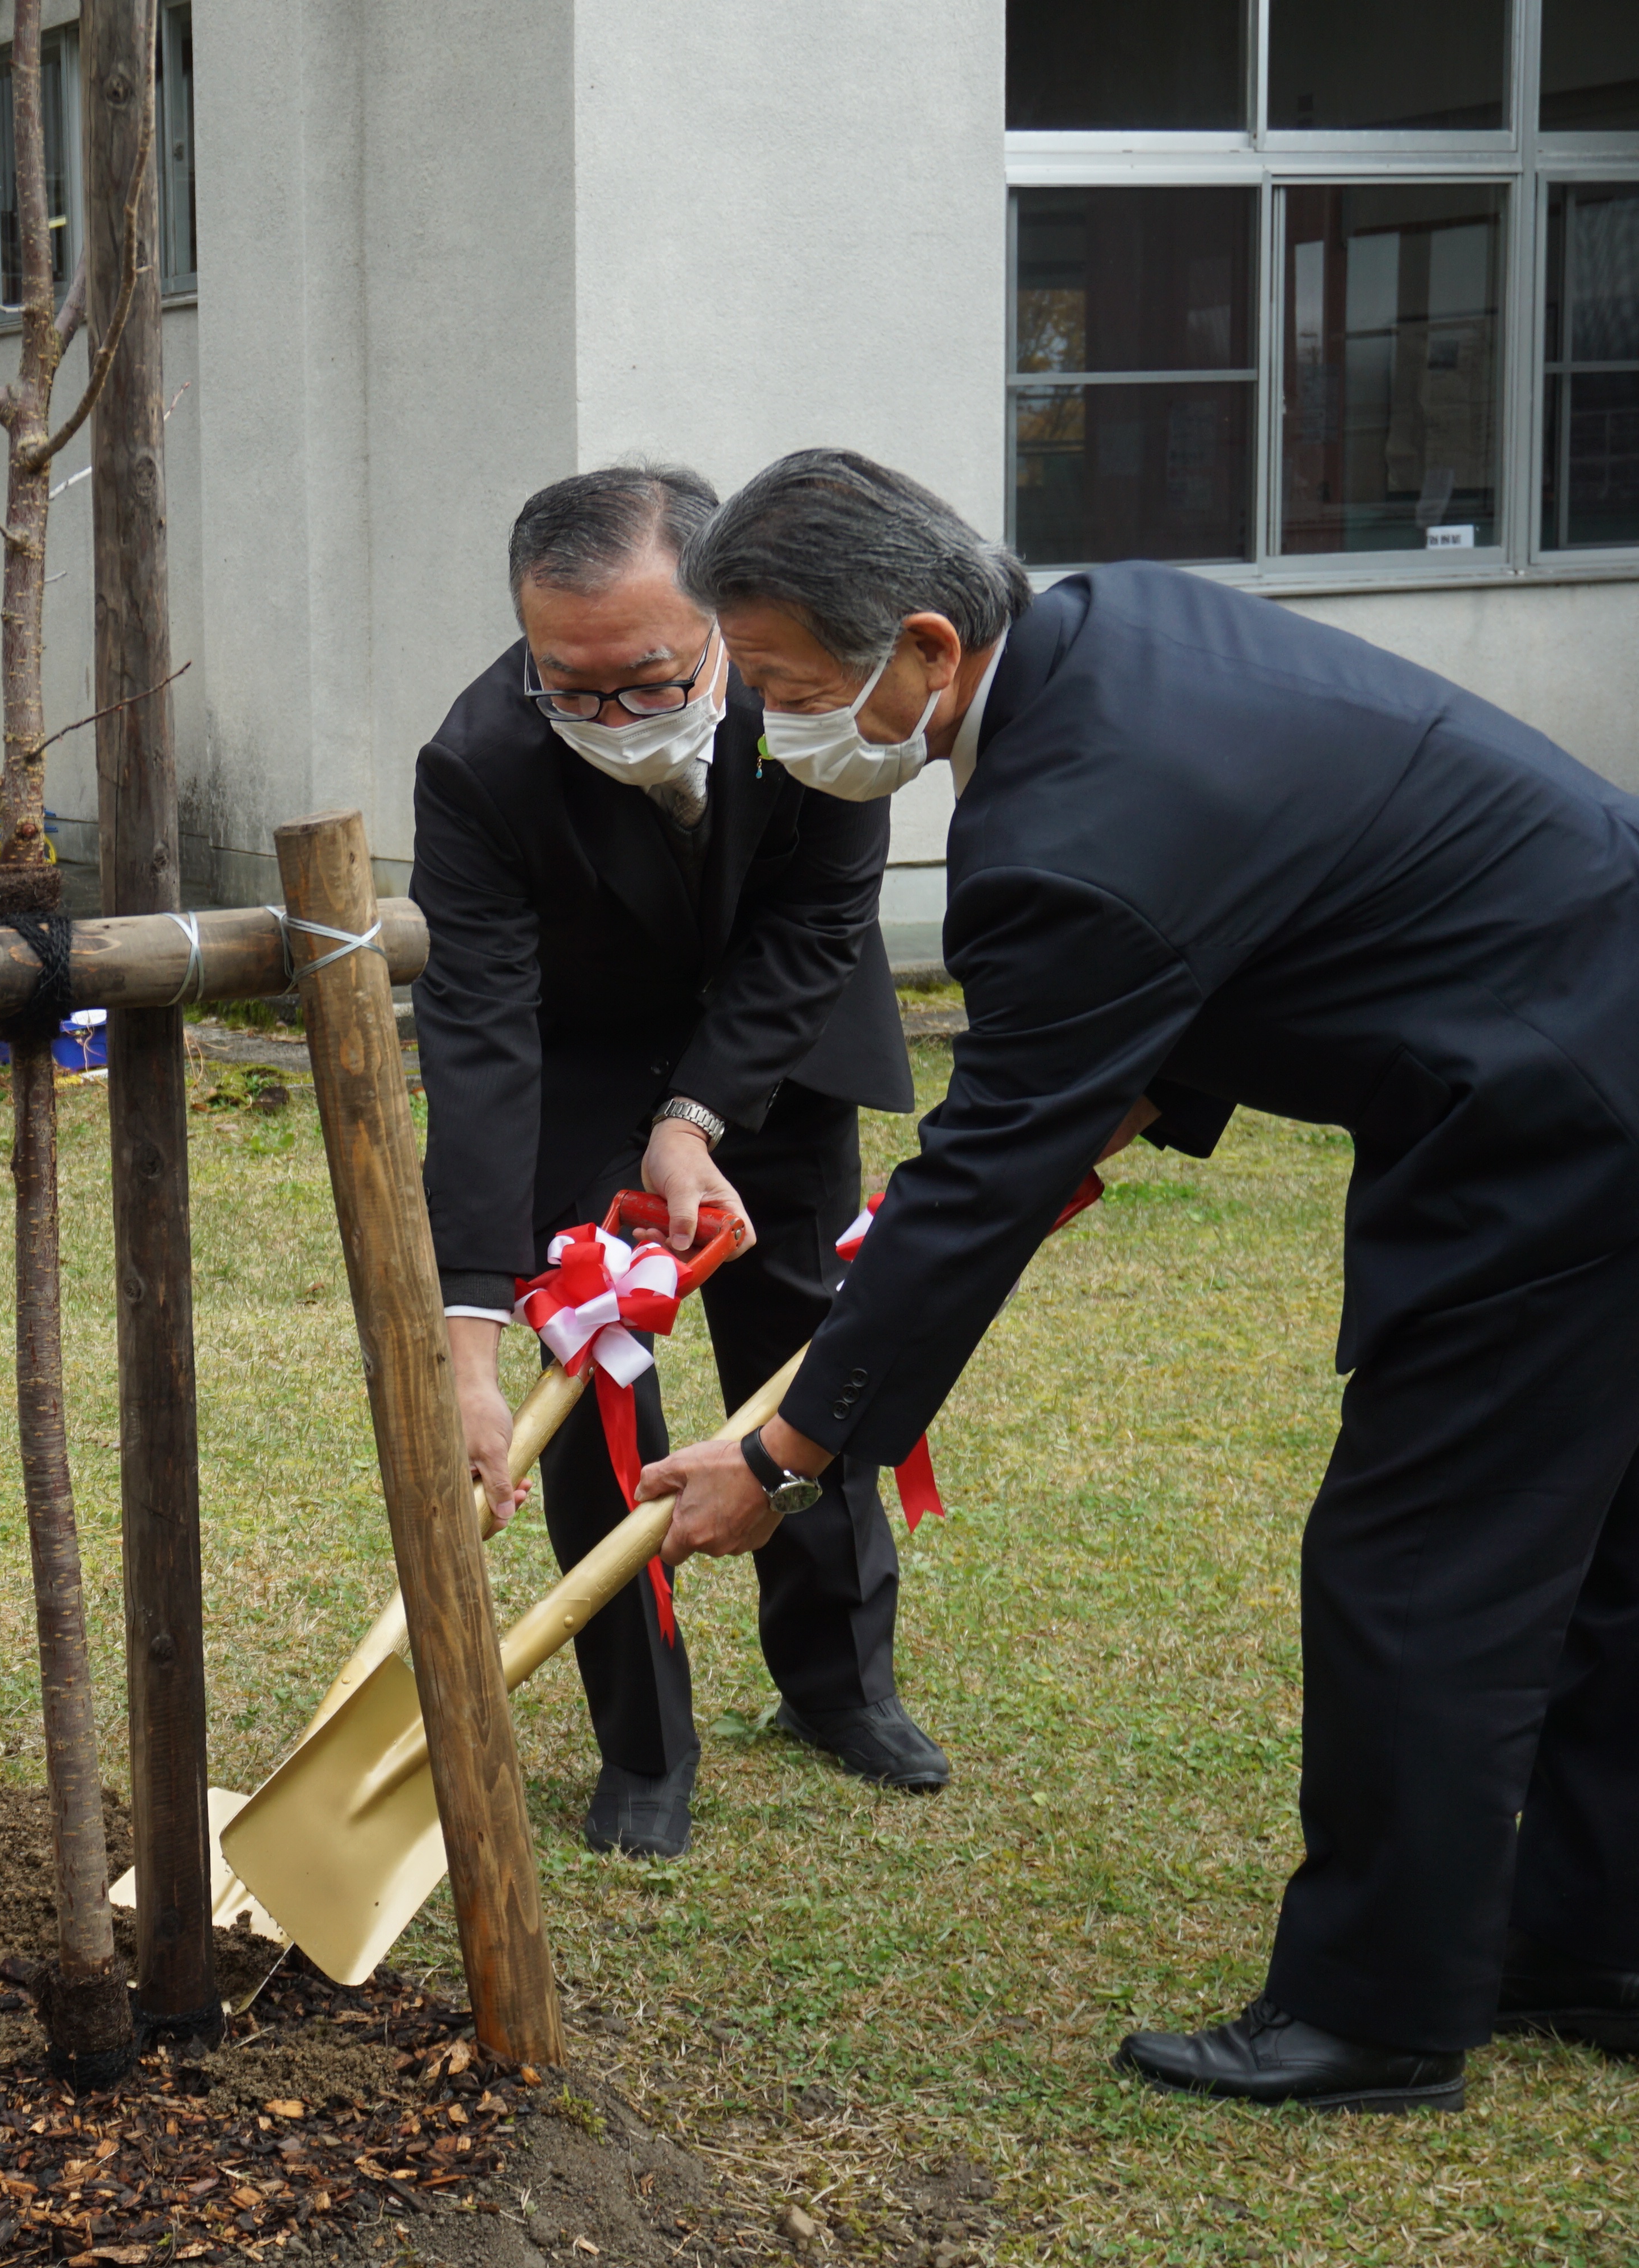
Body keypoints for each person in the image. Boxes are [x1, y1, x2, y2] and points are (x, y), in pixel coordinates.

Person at [645, 446, 1639, 2111]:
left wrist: (782, 1456)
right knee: (1596, 1550)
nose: (770, 728)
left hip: (1558, 1117)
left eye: (792, 688)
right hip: (1584, 1029)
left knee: (1417, 1566)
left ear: (923, 648)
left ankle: (1374, 2016)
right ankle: (1593, 1942)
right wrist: (1064, 1140)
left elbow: (978, 1169)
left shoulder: (1058, 833)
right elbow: (1214, 948)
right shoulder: (1118, 625)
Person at [414, 466, 926, 1861]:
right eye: (567, 686)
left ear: (718, 622)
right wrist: (468, 1322)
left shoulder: (799, 692)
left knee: (812, 1367)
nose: (609, 719)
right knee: (600, 1412)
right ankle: (643, 1746)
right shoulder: (482, 762)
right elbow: (476, 1026)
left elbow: (822, 918)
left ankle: (839, 1682)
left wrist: (701, 1109)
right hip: (584, 1079)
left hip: (779, 1052)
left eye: (647, 681)